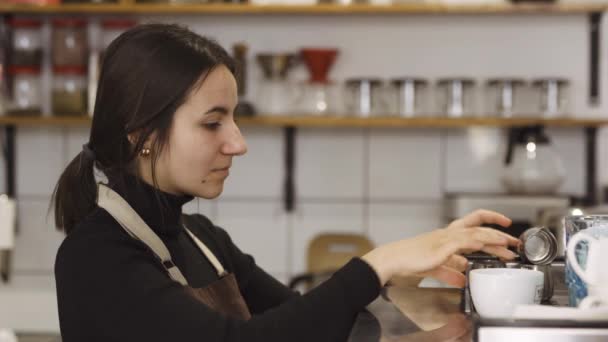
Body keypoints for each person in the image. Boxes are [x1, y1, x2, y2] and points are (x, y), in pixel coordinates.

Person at [52, 23, 520, 342]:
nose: (237, 142)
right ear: (143, 137)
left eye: (233, 119)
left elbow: (318, 328)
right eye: (213, 123)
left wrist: (404, 285)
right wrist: (378, 263)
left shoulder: (205, 240)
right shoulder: (97, 258)